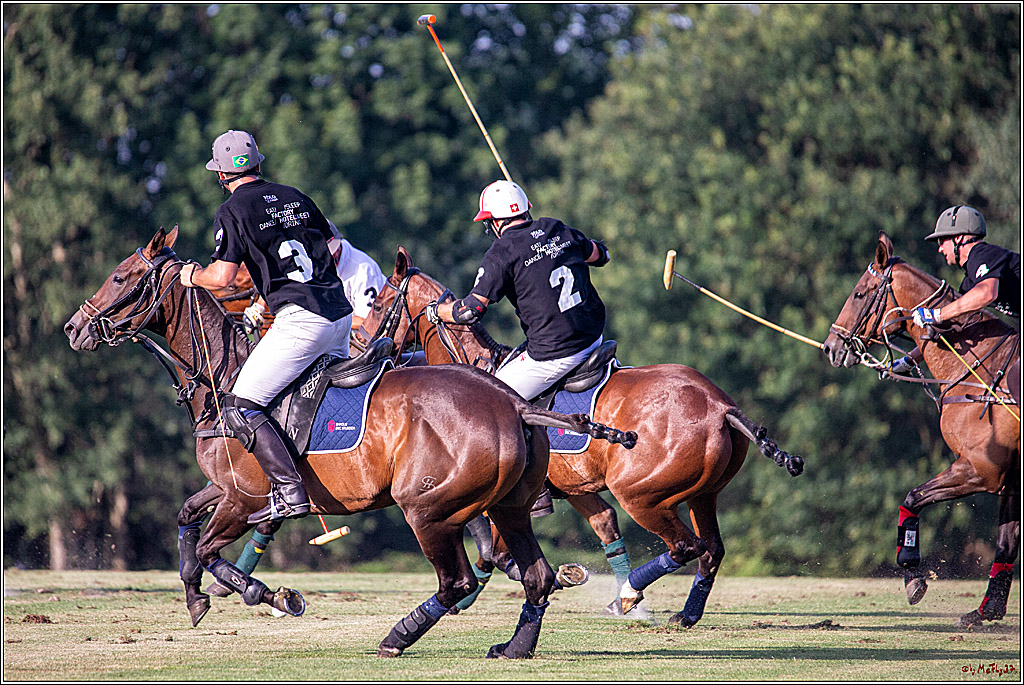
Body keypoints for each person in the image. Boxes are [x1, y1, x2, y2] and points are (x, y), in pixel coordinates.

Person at [180, 130, 353, 524]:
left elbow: (223, 278)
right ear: (260, 162)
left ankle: (291, 493)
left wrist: (193, 276)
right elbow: (331, 246)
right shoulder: (296, 196)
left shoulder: (231, 211)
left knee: (241, 408)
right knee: (303, 397)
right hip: (339, 315)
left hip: (301, 323)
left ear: (221, 176)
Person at [427, 179, 611, 403]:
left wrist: (437, 311)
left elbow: (470, 311)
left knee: (487, 402)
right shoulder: (557, 228)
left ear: (493, 223)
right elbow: (602, 255)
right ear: (526, 210)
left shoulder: (501, 252)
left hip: (556, 353)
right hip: (594, 336)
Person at [893, 205, 1020, 404]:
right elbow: (955, 328)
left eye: (942, 240)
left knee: (1017, 377)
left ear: (959, 238)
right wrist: (910, 360)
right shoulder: (970, 283)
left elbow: (987, 293)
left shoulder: (983, 254)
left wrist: (937, 314)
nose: (940, 248)